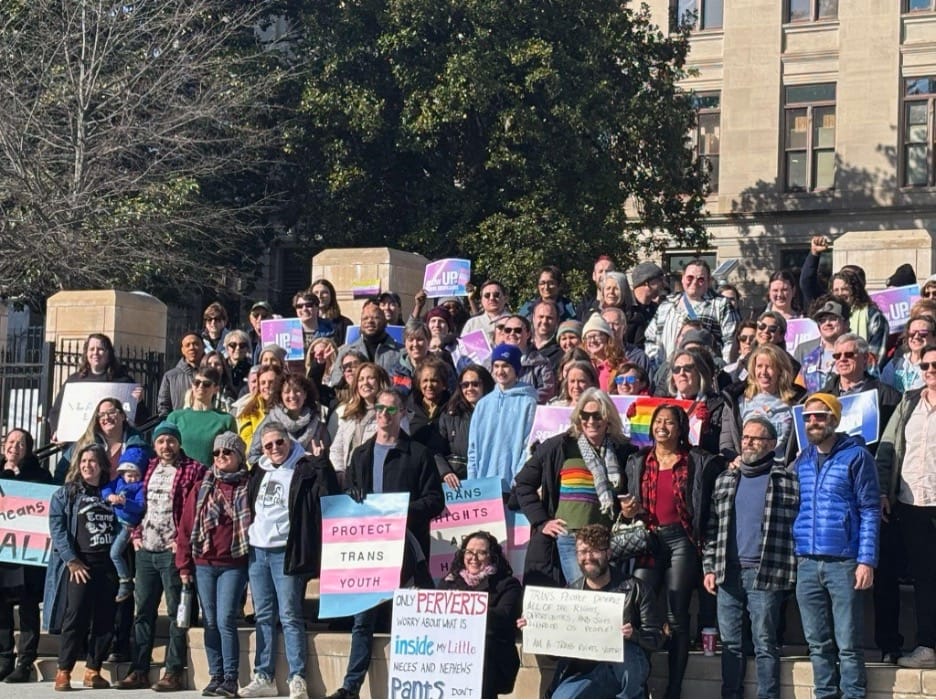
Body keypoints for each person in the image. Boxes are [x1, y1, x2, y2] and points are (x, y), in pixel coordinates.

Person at [327, 389, 444, 700]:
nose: (383, 414)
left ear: (402, 413)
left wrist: (402, 511)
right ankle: (351, 687)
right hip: (371, 552)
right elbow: (352, 490)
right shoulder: (361, 454)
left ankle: (421, 685)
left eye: (391, 409)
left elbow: (436, 501)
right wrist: (351, 495)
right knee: (362, 621)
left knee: (411, 621)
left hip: (408, 550)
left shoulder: (418, 454)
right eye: (379, 408)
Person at [620, 403, 721, 699]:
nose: (662, 426)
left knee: (676, 614)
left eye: (669, 422)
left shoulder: (696, 461)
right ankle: (638, 684)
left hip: (682, 542)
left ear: (681, 429)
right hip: (648, 540)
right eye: (658, 421)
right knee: (635, 609)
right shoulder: (638, 461)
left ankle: (674, 688)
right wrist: (628, 511)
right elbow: (628, 508)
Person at [702, 416, 799, 699]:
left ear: (771, 444)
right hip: (727, 572)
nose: (748, 443)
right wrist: (710, 567)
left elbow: (796, 527)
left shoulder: (787, 481)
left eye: (756, 438)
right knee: (730, 643)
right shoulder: (725, 480)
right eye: (745, 437)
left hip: (766, 573)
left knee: (765, 642)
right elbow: (713, 528)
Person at [240, 423, 339, 699]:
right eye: (268, 445)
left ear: (289, 441)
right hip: (258, 551)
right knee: (263, 615)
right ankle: (264, 675)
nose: (274, 449)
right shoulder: (258, 470)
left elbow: (328, 495)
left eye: (279, 443)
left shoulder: (304, 467)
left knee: (290, 615)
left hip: (287, 551)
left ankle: (297, 677)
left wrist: (322, 463)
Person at [792, 393, 879, 699]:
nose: (812, 422)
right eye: (807, 417)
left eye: (819, 415)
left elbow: (870, 509)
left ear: (834, 419)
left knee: (848, 643)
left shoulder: (857, 456)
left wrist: (866, 560)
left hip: (844, 562)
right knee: (817, 643)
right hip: (806, 562)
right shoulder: (801, 460)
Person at [518, 524, 664, 699]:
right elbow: (554, 655)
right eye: (582, 552)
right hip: (582, 672)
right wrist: (536, 629)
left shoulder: (636, 589)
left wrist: (634, 635)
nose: (588, 557)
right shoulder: (570, 594)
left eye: (595, 551)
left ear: (608, 553)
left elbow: (656, 638)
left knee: (628, 651)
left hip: (620, 670)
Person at [514, 389, 637, 587]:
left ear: (608, 418)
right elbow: (523, 483)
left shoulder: (623, 450)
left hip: (608, 538)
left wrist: (628, 508)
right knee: (582, 592)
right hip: (570, 537)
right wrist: (542, 521)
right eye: (585, 415)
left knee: (607, 594)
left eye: (597, 415)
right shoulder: (559, 446)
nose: (590, 421)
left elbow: (630, 492)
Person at [116, 421, 205, 692]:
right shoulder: (150, 467)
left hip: (172, 551)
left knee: (178, 610)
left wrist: (183, 543)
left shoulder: (193, 469)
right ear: (155, 445)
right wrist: (136, 535)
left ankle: (173, 671)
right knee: (143, 611)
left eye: (170, 440)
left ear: (178, 442)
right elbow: (139, 504)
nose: (166, 446)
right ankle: (139, 669)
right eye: (161, 441)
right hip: (147, 549)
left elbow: (196, 510)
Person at [175, 433, 252, 699]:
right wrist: (183, 565)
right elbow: (186, 527)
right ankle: (215, 674)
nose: (221, 458)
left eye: (227, 453)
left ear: (238, 457)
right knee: (209, 620)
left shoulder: (247, 485)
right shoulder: (202, 486)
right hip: (203, 562)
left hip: (233, 562)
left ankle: (231, 677)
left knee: (225, 619)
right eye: (217, 454)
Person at [877, 345, 936, 669]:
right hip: (912, 503)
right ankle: (927, 645)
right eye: (925, 365)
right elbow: (887, 449)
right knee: (925, 577)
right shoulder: (909, 401)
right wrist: (884, 491)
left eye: (935, 365)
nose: (930, 370)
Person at [44, 444, 119, 692]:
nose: (88, 465)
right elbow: (57, 528)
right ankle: (63, 671)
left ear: (102, 466)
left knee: (105, 618)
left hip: (108, 564)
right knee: (75, 617)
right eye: (84, 461)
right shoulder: (67, 494)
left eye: (93, 461)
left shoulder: (111, 492)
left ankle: (92, 670)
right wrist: (71, 559)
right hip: (80, 565)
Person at [438, 531, 522, 699]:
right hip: (450, 662)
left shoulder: (508, 585)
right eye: (469, 552)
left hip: (490, 662)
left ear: (492, 556)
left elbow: (503, 617)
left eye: (481, 552)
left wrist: (464, 606)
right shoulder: (448, 582)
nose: (474, 557)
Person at [0, 429, 51, 684]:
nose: (14, 447)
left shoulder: (41, 475)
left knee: (29, 609)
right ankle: (4, 658)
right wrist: (7, 473)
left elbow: (47, 503)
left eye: (21, 443)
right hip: (3, 556)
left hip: (28, 557)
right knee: (1, 611)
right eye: (10, 442)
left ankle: (25, 662)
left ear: (28, 449)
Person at [467, 344, 538, 495]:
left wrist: (518, 480)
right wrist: (472, 482)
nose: (500, 371)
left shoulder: (528, 402)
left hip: (512, 485)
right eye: (496, 366)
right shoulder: (483, 404)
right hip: (483, 484)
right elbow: (473, 448)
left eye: (506, 366)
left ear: (516, 368)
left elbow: (528, 445)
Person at [645, 258, 739, 365]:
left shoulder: (720, 304)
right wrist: (654, 365)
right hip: (667, 369)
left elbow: (731, 341)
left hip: (704, 370)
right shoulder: (667, 304)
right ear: (683, 279)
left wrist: (723, 369)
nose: (694, 282)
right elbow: (651, 338)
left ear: (708, 282)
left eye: (701, 279)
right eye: (690, 277)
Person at [48, 333, 144, 438]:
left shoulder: (123, 381)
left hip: (112, 443)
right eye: (92, 349)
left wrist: (138, 402)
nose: (95, 353)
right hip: (77, 444)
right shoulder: (74, 381)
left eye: (100, 349)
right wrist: (56, 431)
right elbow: (56, 411)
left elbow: (140, 419)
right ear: (86, 353)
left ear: (109, 354)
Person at [721, 344, 800, 463]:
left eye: (769, 367)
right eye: (759, 366)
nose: (763, 372)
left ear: (780, 370)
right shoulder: (738, 400)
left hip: (781, 471)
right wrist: (735, 459)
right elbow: (726, 443)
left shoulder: (796, 402)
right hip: (747, 471)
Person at [55, 396, 151, 484]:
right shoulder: (85, 443)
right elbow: (61, 472)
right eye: (102, 415)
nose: (107, 417)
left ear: (122, 416)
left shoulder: (138, 445)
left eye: (112, 412)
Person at [329, 363, 396, 478]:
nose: (365, 383)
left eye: (371, 378)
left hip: (379, 476)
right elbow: (336, 448)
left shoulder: (392, 411)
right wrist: (339, 471)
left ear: (380, 381)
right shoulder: (350, 414)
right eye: (361, 379)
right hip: (350, 478)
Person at [101, 447, 149, 603]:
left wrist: (126, 502)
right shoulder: (118, 482)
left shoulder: (140, 487)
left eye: (136, 475)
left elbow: (141, 506)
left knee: (114, 553)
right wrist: (109, 496)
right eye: (129, 475)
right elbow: (106, 489)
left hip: (127, 525)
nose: (132, 479)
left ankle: (125, 580)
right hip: (114, 522)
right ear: (122, 474)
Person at [248, 372, 329, 463]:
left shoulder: (318, 425)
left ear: (305, 394)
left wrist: (319, 459)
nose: (292, 396)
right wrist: (276, 461)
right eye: (287, 392)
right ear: (280, 395)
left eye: (297, 391)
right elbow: (252, 456)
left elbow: (329, 459)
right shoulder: (269, 421)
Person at [437, 364, 494, 488]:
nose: (470, 388)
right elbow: (436, 450)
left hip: (490, 478)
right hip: (458, 482)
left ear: (486, 385)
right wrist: (445, 472)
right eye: (465, 385)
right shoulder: (450, 414)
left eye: (475, 384)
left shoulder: (497, 413)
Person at [167, 367, 238, 467]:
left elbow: (231, 456)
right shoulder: (175, 417)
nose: (201, 386)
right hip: (180, 476)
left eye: (206, 384)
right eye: (197, 382)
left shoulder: (226, 420)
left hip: (209, 478)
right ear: (192, 385)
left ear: (216, 389)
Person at [329, 298, 403, 385]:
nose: (370, 321)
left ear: (385, 322)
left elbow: (406, 383)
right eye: (365, 318)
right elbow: (336, 382)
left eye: (376, 317)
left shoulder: (401, 352)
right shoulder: (345, 351)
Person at [795, 296, 850, 394]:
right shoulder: (805, 352)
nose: (827, 323)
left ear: (846, 323)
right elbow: (797, 391)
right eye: (822, 320)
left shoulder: (859, 351)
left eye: (833, 318)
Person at [881, 314, 935, 393]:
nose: (916, 337)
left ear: (934, 337)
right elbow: (884, 394)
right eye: (912, 333)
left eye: (923, 333)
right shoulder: (894, 364)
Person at [158, 332, 207, 416]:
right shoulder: (170, 376)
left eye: (196, 344)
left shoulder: (212, 374)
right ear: (182, 350)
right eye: (188, 345)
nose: (192, 348)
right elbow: (163, 407)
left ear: (203, 347)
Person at [237, 366, 280, 451]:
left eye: (271, 382)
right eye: (263, 383)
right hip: (256, 459)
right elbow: (245, 439)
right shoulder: (248, 410)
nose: (267, 386)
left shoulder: (285, 408)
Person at [626, 261, 667, 348]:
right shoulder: (626, 308)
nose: (663, 285)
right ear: (646, 283)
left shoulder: (657, 310)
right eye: (660, 280)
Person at [601, 307, 652, 375]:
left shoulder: (638, 357)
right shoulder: (594, 356)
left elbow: (647, 384)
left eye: (616, 324)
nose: (611, 328)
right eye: (606, 324)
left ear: (624, 329)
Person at [581, 314, 625, 393]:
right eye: (589, 337)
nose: (593, 341)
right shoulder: (582, 365)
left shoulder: (621, 365)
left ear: (608, 338)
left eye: (597, 336)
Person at [312, 278, 353, 344]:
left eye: (324, 292)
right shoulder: (307, 322)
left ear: (332, 296)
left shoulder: (345, 323)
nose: (319, 296)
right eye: (316, 293)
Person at [576, 255, 616, 322]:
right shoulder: (584, 307)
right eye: (600, 271)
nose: (604, 275)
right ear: (594, 276)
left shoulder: (624, 307)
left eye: (608, 271)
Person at [531, 299, 563, 371]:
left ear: (557, 321)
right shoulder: (523, 344)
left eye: (549, 318)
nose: (544, 321)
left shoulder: (561, 351)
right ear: (533, 318)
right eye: (541, 317)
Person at [223, 329, 254, 396]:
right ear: (227, 348)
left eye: (242, 345)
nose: (238, 348)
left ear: (247, 348)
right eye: (233, 345)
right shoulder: (221, 367)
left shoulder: (252, 370)